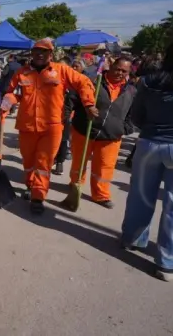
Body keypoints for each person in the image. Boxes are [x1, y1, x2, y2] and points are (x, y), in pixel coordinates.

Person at [0, 38, 97, 215]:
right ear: (31, 53)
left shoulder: (61, 71)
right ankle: (30, 185)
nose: (39, 54)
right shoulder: (22, 73)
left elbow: (83, 82)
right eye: (36, 51)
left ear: (50, 55)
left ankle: (38, 197)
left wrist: (89, 104)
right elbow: (14, 93)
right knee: (28, 162)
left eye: (43, 51)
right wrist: (8, 101)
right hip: (27, 126)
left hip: (51, 127)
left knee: (43, 164)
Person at [121, 43, 173, 282]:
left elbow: (136, 116)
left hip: (149, 142)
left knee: (140, 196)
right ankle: (167, 262)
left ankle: (133, 240)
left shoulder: (149, 81)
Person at [66, 57, 136, 209]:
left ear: (129, 72)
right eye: (117, 69)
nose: (120, 73)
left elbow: (133, 114)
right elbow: (72, 100)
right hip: (84, 130)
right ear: (110, 66)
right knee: (79, 162)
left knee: (105, 167)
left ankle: (101, 195)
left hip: (111, 136)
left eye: (124, 71)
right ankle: (75, 185)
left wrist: (124, 128)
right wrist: (76, 114)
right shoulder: (91, 81)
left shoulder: (131, 91)